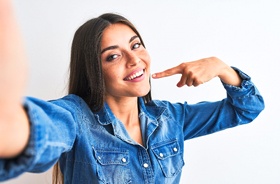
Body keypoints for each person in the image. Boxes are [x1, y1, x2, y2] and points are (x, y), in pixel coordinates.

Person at [0, 0, 264, 183]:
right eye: (113, 56)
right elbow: (31, 133)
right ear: (94, 69)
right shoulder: (74, 118)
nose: (134, 60)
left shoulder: (170, 118)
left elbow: (246, 109)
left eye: (136, 45)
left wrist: (221, 67)